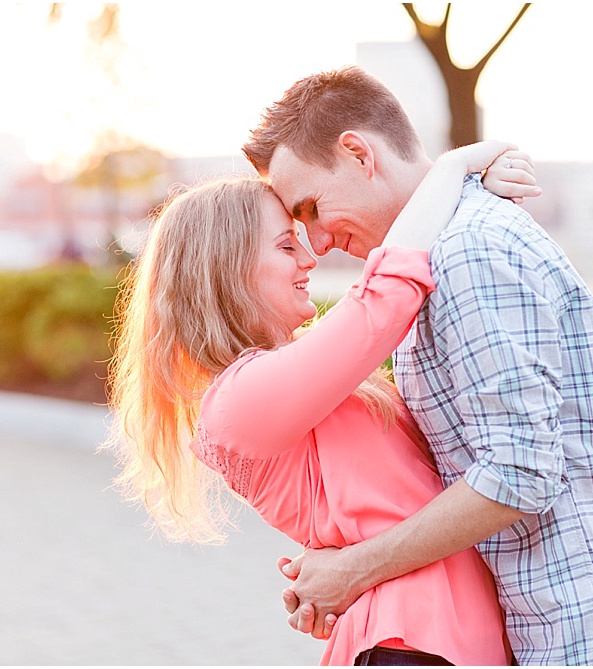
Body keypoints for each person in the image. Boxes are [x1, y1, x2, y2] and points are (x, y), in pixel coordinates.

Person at [242, 66, 593, 666]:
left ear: (359, 154)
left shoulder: (468, 252)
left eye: (311, 208)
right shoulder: (435, 255)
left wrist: (353, 571)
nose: (317, 241)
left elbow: (520, 471)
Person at [106, 141, 538, 665]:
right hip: (408, 643)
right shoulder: (239, 401)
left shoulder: (291, 386)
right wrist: (451, 169)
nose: (310, 257)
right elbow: (384, 297)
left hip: (441, 641)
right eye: (286, 245)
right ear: (226, 268)